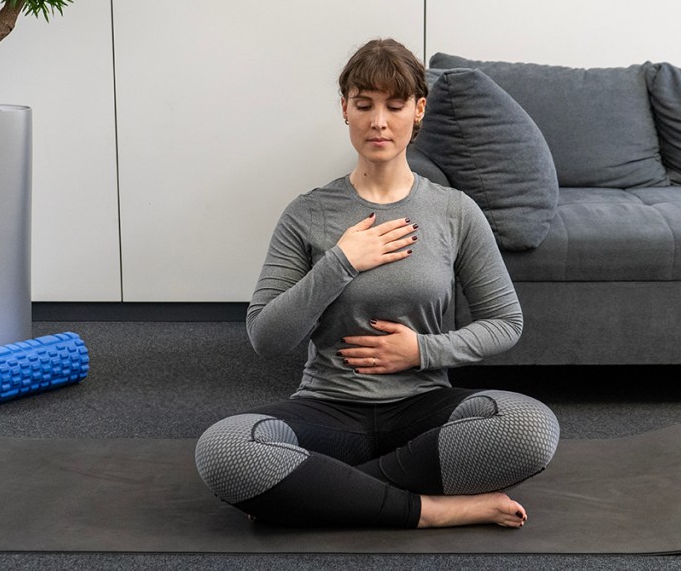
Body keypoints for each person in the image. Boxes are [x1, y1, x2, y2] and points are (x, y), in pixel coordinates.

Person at [195, 38, 559, 529]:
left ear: (419, 110)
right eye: (364, 105)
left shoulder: (454, 211)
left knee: (531, 428)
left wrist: (422, 351)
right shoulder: (307, 213)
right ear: (345, 109)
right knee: (225, 448)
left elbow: (506, 322)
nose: (379, 121)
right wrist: (342, 261)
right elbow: (266, 337)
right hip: (329, 407)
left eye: (395, 105)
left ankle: (321, 491)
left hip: (424, 408)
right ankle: (428, 512)